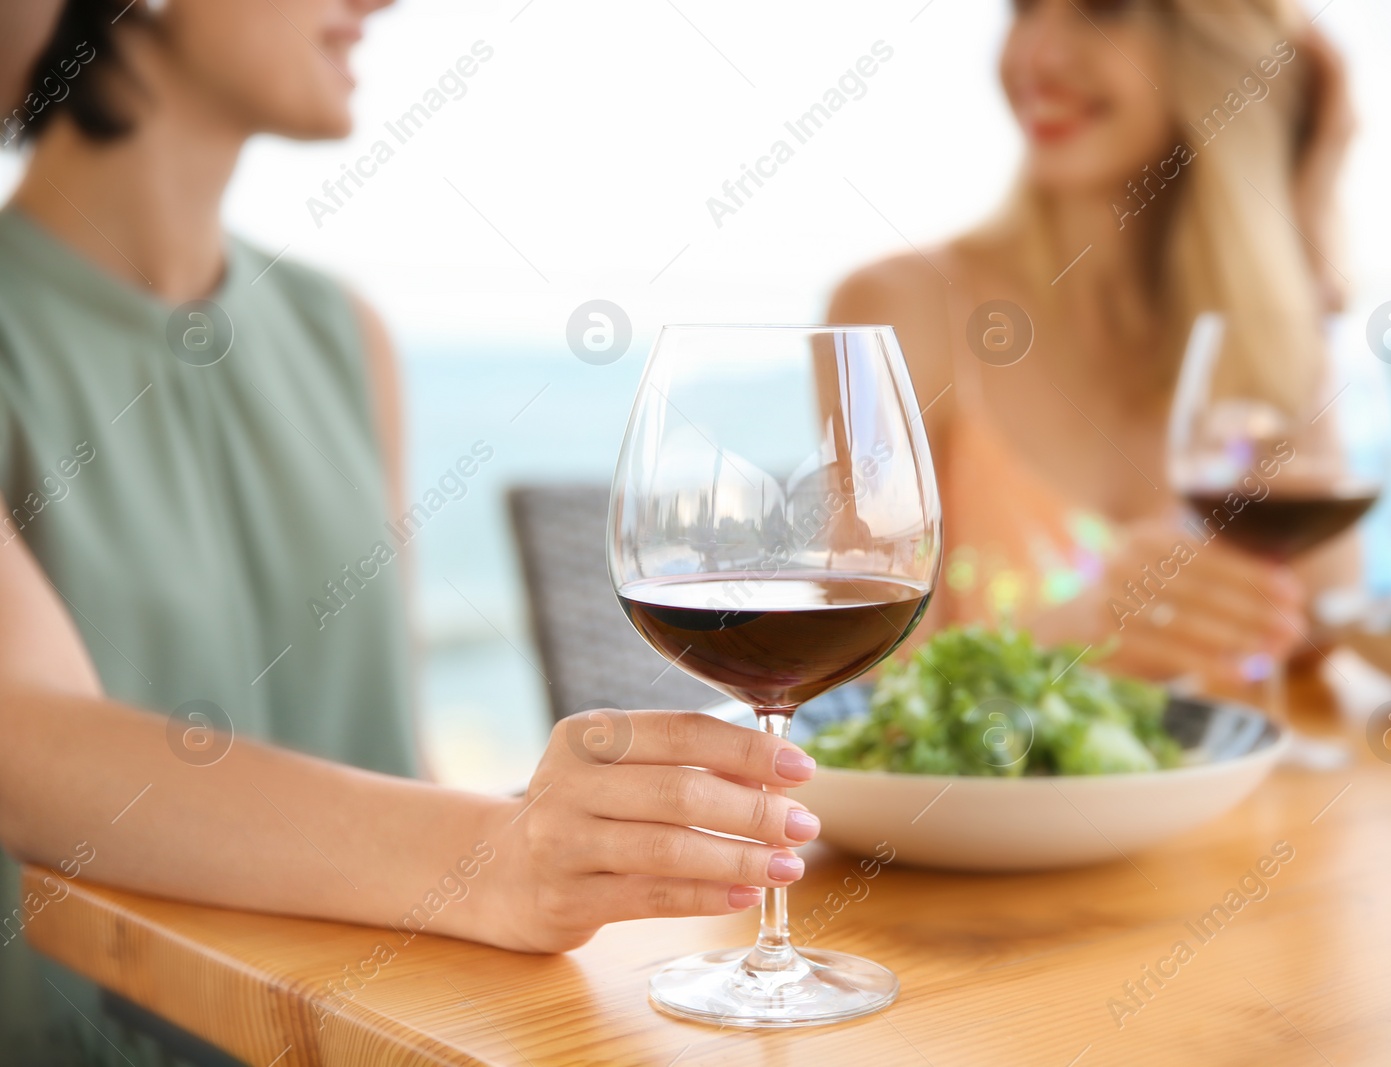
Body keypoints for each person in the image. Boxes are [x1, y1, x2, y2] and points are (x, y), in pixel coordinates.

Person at [0, 1, 817, 1062]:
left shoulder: (342, 335)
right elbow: (26, 736)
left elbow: (391, 746)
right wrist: (496, 851)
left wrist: (557, 860)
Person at [830, 0, 1357, 690]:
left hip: (1242, 800)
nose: (1036, 58)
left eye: (1104, 9)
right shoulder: (900, 309)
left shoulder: (1258, 329)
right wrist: (1065, 636)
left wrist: (1305, 199)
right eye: (1022, 9)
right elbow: (865, 692)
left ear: (1213, 48)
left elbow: (1321, 619)